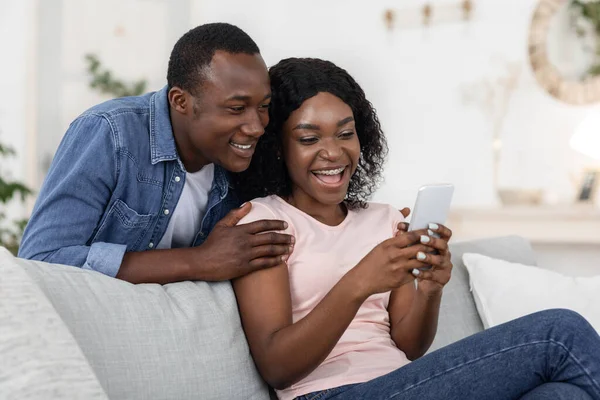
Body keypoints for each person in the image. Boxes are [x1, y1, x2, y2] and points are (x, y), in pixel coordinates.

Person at [232, 58, 600, 400]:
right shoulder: (264, 224)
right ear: (278, 149)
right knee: (560, 332)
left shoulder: (384, 220)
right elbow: (277, 367)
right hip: (330, 394)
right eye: (309, 139)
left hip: (402, 383)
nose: (333, 152)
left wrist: (429, 289)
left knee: (565, 395)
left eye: (345, 134)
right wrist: (359, 282)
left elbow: (408, 346)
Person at [17, 23, 298, 284]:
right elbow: (41, 260)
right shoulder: (111, 134)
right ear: (180, 101)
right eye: (236, 108)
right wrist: (198, 261)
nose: (257, 127)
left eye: (263, 106)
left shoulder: (250, 158)